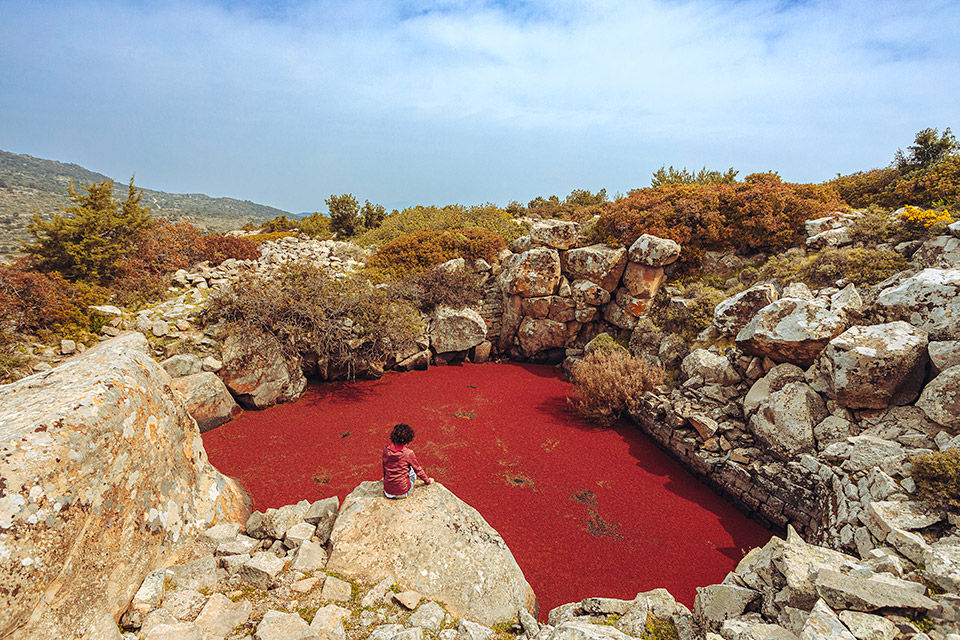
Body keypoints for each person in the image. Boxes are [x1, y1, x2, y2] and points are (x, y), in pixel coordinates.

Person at [382, 423, 434, 499]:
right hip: (403, 492)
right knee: (412, 469)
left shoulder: (386, 450)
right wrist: (428, 481)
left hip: (388, 492)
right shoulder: (408, 453)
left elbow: (384, 468)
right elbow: (418, 470)